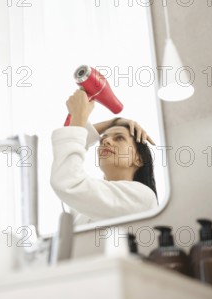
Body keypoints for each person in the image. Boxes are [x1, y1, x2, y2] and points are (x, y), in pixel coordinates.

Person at [51, 89, 158, 225]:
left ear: (139, 158)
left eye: (119, 138)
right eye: (102, 140)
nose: (106, 142)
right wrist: (113, 122)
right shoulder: (85, 207)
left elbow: (66, 178)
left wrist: (79, 115)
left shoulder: (142, 196)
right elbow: (62, 162)